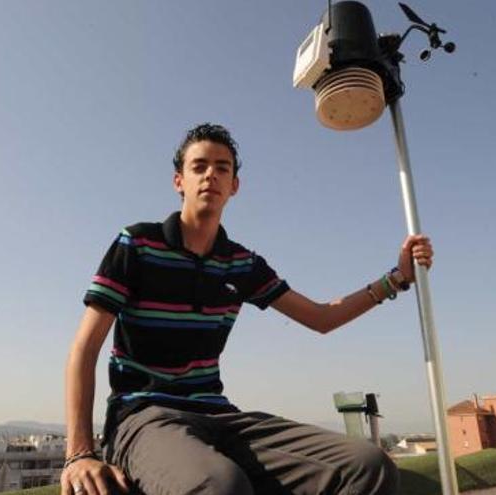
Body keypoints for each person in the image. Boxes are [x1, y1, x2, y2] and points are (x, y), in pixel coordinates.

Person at [62, 123, 433, 495]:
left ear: (234, 186)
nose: (211, 175)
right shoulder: (138, 244)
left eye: (223, 168)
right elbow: (85, 348)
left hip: (220, 415)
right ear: (179, 181)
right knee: (222, 485)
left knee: (368, 466)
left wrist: (396, 279)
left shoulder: (241, 263)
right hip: (144, 416)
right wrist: (79, 453)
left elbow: (321, 317)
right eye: (199, 166)